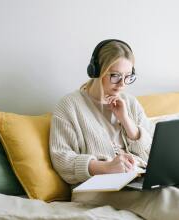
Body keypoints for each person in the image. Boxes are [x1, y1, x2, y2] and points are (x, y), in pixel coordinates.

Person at [49, 39, 179, 220]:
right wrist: (105, 167)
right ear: (96, 71)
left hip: (136, 181)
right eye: (115, 76)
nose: (122, 84)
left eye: (128, 76)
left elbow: (153, 155)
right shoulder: (70, 106)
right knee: (171, 200)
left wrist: (127, 121)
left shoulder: (130, 103)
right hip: (94, 188)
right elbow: (61, 158)